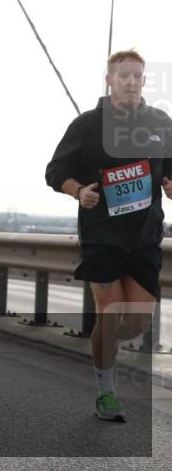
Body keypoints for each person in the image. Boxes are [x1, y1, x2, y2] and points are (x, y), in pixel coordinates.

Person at [46, 49, 172, 423]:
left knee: (132, 323)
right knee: (112, 313)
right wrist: (78, 191)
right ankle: (106, 392)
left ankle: (105, 346)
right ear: (110, 81)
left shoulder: (160, 123)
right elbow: (56, 171)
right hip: (102, 236)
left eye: (137, 76)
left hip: (145, 238)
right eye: (124, 76)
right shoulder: (88, 125)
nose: (131, 82)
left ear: (144, 81)